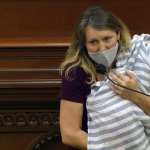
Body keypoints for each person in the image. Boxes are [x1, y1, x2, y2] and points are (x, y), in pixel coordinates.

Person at [59, 5, 150, 150]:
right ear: (84, 44)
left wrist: (134, 95)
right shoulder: (75, 73)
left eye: (107, 39)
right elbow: (69, 134)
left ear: (118, 34)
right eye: (93, 42)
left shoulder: (135, 57)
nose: (102, 48)